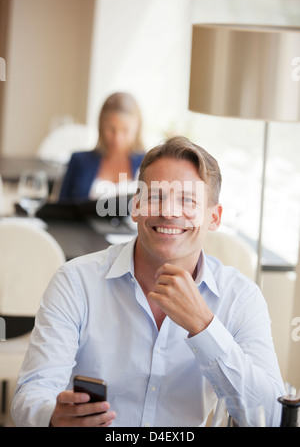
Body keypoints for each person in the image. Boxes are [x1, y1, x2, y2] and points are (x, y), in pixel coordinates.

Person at [12, 136, 285, 427]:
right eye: (155, 196)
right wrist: (52, 418)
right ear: (135, 207)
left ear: (214, 218)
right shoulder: (75, 282)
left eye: (187, 200)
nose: (168, 211)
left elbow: (272, 417)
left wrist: (204, 326)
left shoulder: (241, 298)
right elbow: (31, 394)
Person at [58, 92, 145, 201]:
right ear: (101, 126)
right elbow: (61, 208)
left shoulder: (148, 162)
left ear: (137, 128)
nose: (117, 138)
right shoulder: (79, 161)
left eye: (125, 130)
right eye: (111, 129)